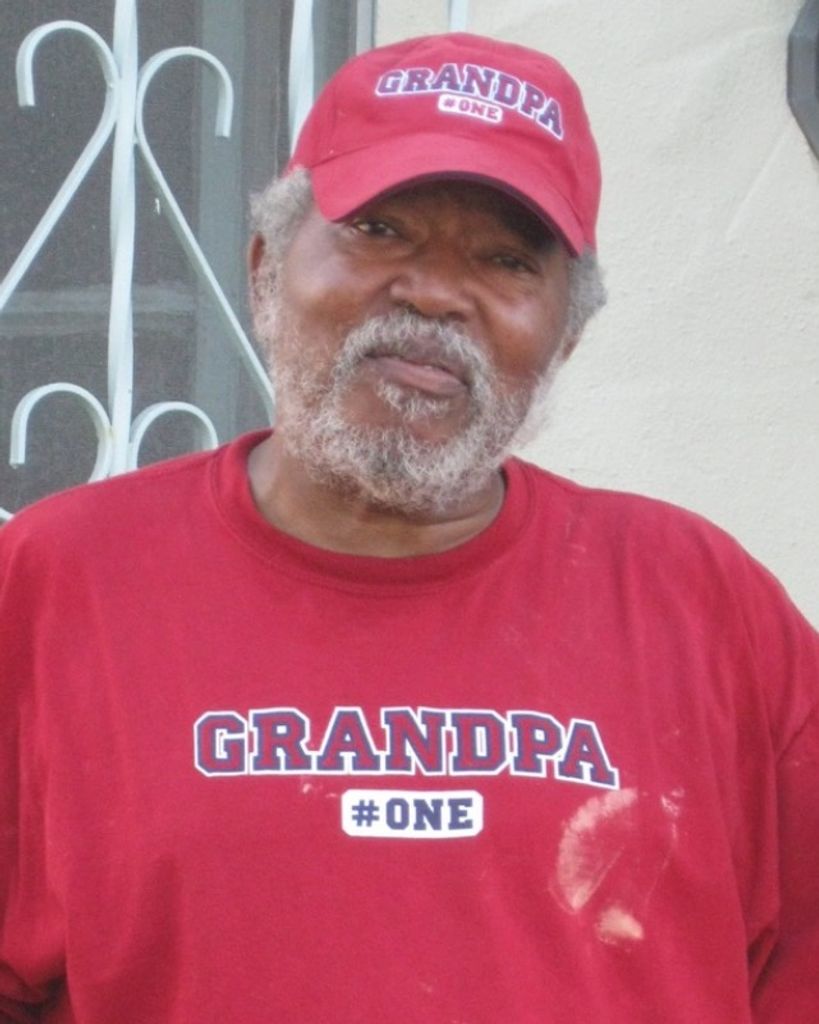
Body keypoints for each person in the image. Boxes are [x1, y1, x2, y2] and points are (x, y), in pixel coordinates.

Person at [1, 31, 817, 1024]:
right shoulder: (55, 582)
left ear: (565, 336)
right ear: (264, 269)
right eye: (380, 230)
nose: (433, 293)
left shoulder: (705, 607)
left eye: (504, 260)